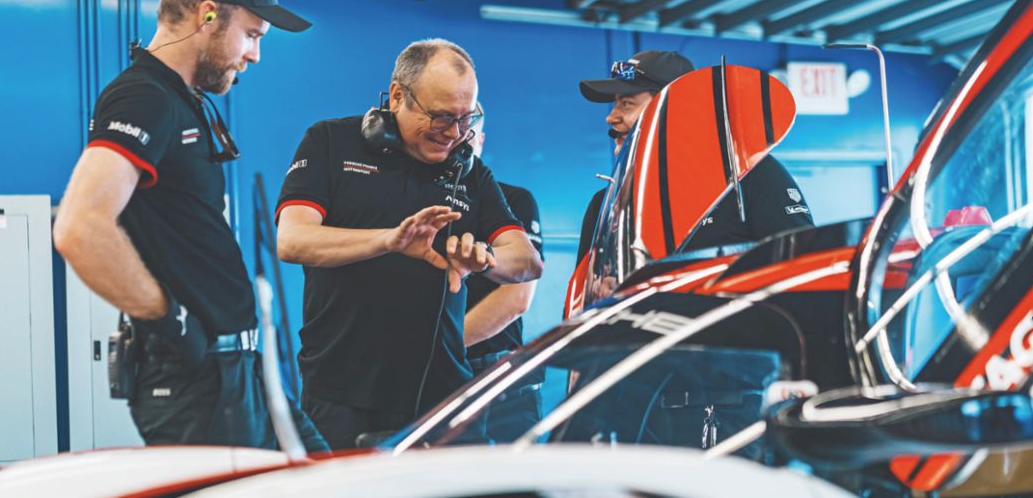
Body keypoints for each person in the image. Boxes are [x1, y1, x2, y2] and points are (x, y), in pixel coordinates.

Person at [53, 0, 326, 450]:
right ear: (206, 15)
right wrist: (168, 320)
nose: (255, 54)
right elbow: (79, 227)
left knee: (331, 477)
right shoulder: (143, 96)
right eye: (251, 35)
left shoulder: (185, 100)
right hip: (200, 381)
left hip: (239, 368)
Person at [275, 38, 544, 449]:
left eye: (466, 118)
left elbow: (527, 261)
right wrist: (390, 240)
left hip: (445, 397)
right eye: (440, 118)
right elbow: (293, 239)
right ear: (398, 95)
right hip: (341, 391)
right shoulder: (331, 142)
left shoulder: (468, 173)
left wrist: (483, 259)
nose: (454, 134)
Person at [576, 50, 814, 263]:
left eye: (626, 104)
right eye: (615, 105)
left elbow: (799, 265)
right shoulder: (605, 204)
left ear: (674, 109)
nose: (611, 117)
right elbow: (581, 298)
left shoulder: (750, 175)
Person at [464, 106, 545, 441]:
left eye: (469, 136)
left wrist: (440, 348)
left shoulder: (514, 200)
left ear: (481, 141)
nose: (458, 143)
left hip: (500, 379)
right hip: (433, 379)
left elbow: (518, 296)